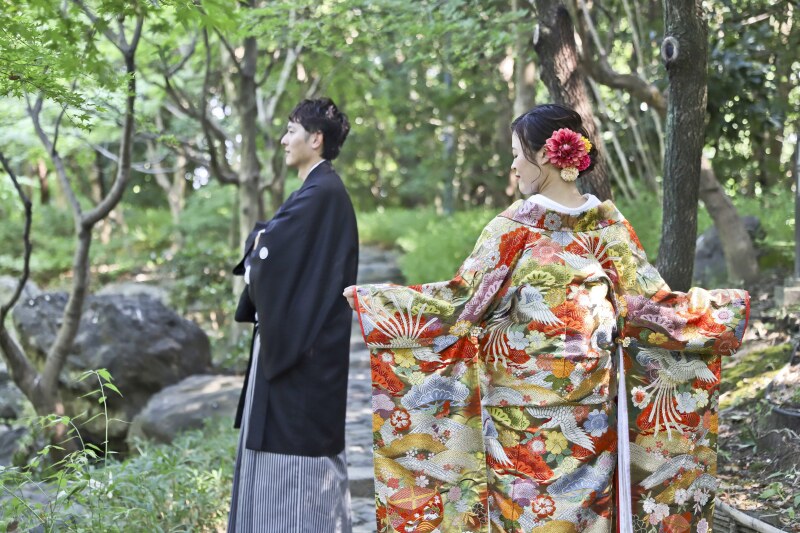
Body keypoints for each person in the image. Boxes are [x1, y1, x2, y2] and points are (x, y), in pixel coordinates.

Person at [343, 103, 749, 532]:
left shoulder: (602, 228)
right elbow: (465, 304)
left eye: (518, 153)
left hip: (592, 417)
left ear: (545, 157)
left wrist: (725, 311)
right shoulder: (524, 227)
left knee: (580, 515)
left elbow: (648, 310)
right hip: (523, 420)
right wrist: (375, 301)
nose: (513, 164)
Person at [229, 97, 358, 533]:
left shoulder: (322, 193)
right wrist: (261, 240)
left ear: (315, 139)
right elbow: (270, 244)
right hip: (302, 343)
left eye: (291, 131)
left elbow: (269, 250)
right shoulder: (318, 191)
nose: (284, 140)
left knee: (295, 463)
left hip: (303, 352)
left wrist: (259, 243)